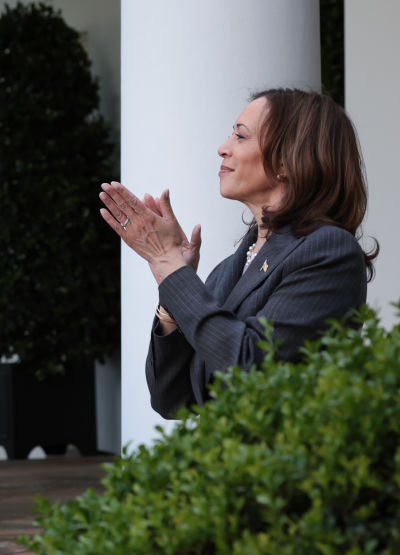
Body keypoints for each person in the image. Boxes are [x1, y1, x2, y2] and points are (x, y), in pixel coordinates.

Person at [100, 88, 377, 419]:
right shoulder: (230, 268)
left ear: (287, 160)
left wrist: (170, 266)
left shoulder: (328, 251)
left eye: (240, 137)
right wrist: (172, 293)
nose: (222, 148)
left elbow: (252, 370)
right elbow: (172, 400)